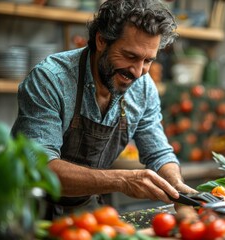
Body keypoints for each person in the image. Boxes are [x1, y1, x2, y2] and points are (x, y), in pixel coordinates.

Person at [11, 0, 196, 218]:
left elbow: (158, 153)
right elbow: (41, 169)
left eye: (148, 60)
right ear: (101, 40)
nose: (138, 72)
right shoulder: (50, 79)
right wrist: (123, 180)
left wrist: (176, 185)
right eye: (130, 56)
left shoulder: (143, 88)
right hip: (25, 211)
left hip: (85, 212)